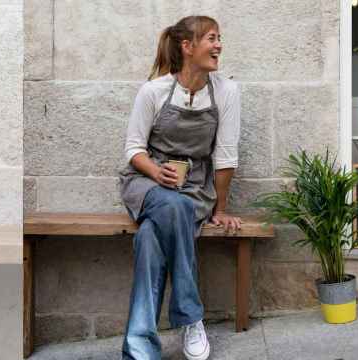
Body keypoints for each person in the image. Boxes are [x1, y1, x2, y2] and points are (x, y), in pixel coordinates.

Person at [118, 15, 242, 360]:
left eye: (219, 39)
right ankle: (191, 316)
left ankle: (139, 349)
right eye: (211, 39)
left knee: (150, 237)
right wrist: (157, 173)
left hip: (195, 188)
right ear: (187, 47)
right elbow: (133, 150)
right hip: (146, 183)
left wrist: (221, 209)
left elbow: (226, 154)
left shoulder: (226, 91)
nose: (218, 46)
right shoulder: (154, 90)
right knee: (176, 207)